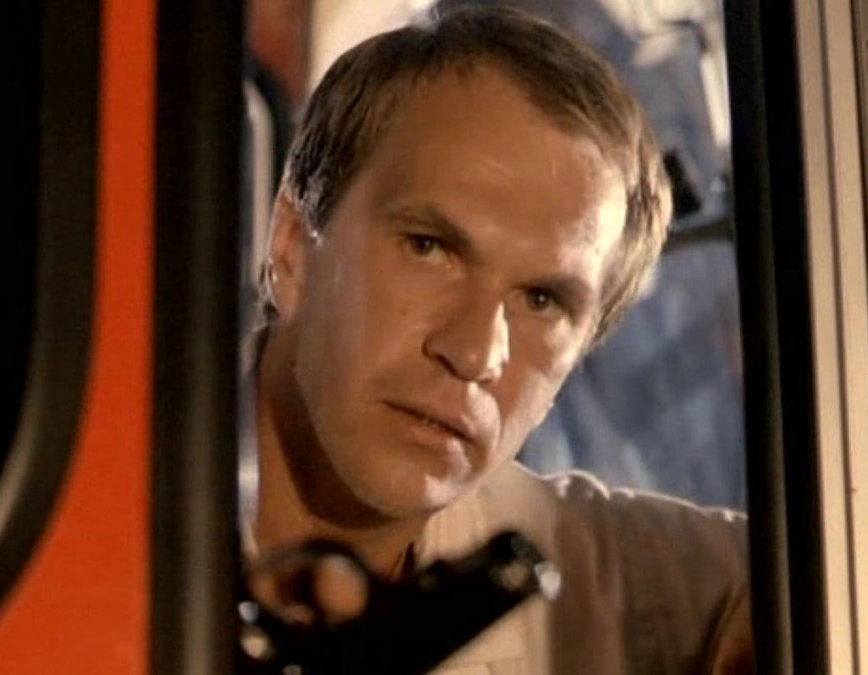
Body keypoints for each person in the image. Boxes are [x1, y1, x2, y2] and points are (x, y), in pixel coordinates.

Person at [246, 7, 750, 674]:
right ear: (292, 248)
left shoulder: (608, 583)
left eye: (542, 300)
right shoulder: (113, 485)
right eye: (429, 248)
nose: (475, 353)